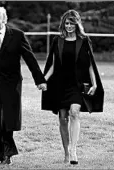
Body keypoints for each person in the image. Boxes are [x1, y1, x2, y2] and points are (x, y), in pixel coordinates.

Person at [0, 7, 47, 165]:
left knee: (7, 119)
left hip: (11, 85)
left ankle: (7, 153)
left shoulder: (17, 36)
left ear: (4, 19)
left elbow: (30, 58)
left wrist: (40, 80)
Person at [41, 10, 104, 165]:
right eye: (66, 23)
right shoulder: (58, 40)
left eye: (72, 23)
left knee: (74, 112)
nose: (69, 26)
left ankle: (74, 150)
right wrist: (43, 80)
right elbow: (53, 65)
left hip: (77, 84)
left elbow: (90, 65)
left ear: (77, 24)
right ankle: (66, 152)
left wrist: (95, 83)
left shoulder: (84, 40)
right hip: (59, 84)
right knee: (62, 118)